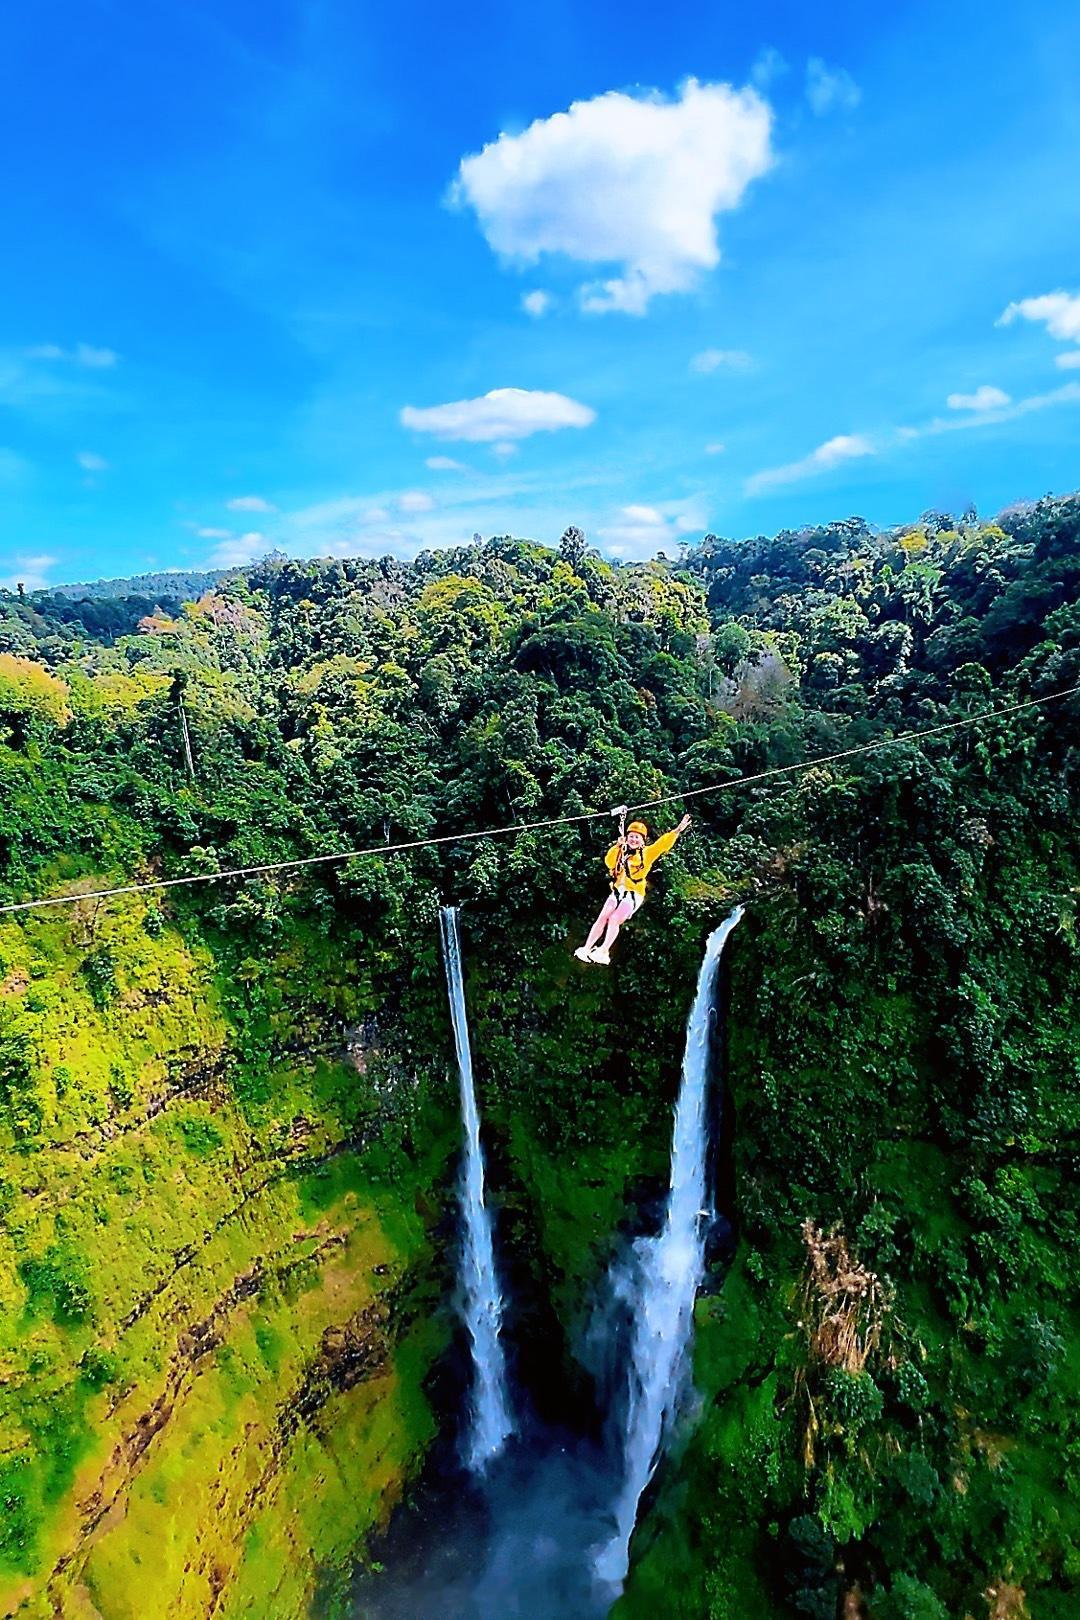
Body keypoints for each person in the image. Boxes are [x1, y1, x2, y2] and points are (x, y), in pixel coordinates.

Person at [574, 813, 692, 965]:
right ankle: (587, 948)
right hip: (618, 890)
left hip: (634, 894)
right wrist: (617, 846)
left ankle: (604, 951)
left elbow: (662, 844)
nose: (634, 840)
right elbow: (609, 863)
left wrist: (677, 830)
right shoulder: (621, 850)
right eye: (632, 837)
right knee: (603, 917)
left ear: (643, 841)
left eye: (637, 837)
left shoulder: (647, 854)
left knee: (614, 919)